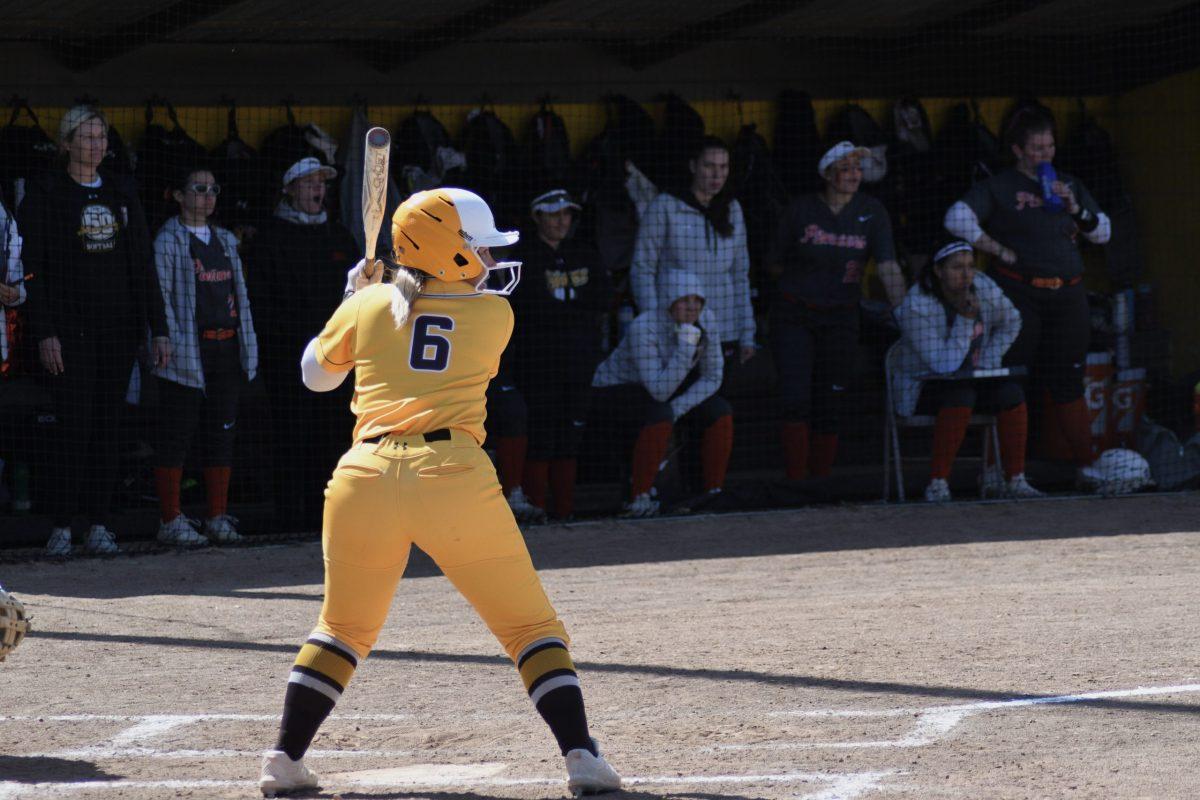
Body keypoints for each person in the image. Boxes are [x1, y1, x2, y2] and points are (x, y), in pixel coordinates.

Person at [258, 188, 621, 797]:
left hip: (363, 476)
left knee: (341, 630)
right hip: (451, 476)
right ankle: (581, 753)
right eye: (477, 247)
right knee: (531, 628)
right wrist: (371, 297)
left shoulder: (370, 303)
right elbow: (428, 316)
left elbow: (315, 377)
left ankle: (283, 760)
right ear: (450, 253)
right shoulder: (495, 316)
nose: (486, 257)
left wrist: (352, 299)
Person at [19, 105, 170, 556]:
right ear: (66, 143)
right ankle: (62, 525)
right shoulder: (45, 194)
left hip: (118, 331)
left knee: (109, 425)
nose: (96, 146)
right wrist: (44, 332)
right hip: (68, 334)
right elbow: (33, 271)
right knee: (73, 426)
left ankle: (101, 524)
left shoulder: (123, 191)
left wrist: (158, 329)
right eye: (86, 138)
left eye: (101, 137)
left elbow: (143, 265)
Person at [944, 106, 1111, 477]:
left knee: (1068, 379)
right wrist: (996, 248)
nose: (1045, 155)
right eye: (1036, 148)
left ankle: (1088, 469)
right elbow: (955, 217)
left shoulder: (1069, 183)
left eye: (1049, 147)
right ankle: (1010, 475)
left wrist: (1075, 206)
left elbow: (1103, 233)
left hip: (1068, 295)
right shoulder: (1000, 185)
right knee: (1012, 378)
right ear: (1018, 150)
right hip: (1018, 294)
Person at [767, 141, 905, 480]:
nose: (854, 175)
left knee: (831, 400)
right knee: (795, 398)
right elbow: (771, 263)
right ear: (827, 174)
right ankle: (796, 481)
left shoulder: (872, 211)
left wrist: (907, 313)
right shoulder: (800, 210)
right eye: (845, 168)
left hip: (842, 316)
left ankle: (820, 481)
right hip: (794, 315)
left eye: (858, 169)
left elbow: (887, 265)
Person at [244, 156, 357, 533]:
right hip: (287, 361)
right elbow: (259, 303)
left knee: (335, 434)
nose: (317, 189)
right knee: (292, 435)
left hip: (338, 358)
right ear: (289, 189)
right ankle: (292, 519)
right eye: (308, 182)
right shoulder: (269, 238)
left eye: (321, 182)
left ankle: (332, 517)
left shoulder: (340, 236)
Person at [150, 166, 258, 546]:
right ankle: (170, 519)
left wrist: (248, 348)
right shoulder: (168, 240)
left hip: (225, 349)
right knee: (177, 435)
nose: (208, 196)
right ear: (178, 196)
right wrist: (163, 340)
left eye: (214, 189)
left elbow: (240, 297)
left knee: (221, 434)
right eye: (198, 188)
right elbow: (159, 297)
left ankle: (216, 517)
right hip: (185, 353)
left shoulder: (226, 240)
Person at [892, 240, 1041, 502]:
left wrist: (988, 359)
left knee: (1011, 392)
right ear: (938, 271)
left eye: (970, 266)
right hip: (924, 386)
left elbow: (1013, 320)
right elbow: (943, 366)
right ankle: (938, 483)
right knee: (961, 394)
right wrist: (965, 319)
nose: (966, 275)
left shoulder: (982, 286)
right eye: (957, 267)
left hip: (974, 376)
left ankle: (1015, 479)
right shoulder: (915, 305)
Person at [591, 271, 733, 517]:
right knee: (660, 412)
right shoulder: (644, 326)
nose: (692, 307)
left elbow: (713, 377)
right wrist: (686, 346)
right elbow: (659, 390)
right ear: (669, 300)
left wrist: (678, 408)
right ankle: (640, 497)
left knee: (719, 411)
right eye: (684, 300)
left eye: (697, 300)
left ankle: (713, 492)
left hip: (664, 386)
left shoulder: (706, 320)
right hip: (614, 390)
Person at [508, 189, 610, 520]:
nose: (561, 221)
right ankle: (537, 511)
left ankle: (564, 514)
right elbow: (530, 309)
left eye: (566, 214)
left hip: (579, 366)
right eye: (553, 214)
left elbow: (601, 301)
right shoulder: (524, 257)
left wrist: (568, 316)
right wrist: (570, 314)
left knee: (570, 438)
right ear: (537, 216)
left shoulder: (586, 253)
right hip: (537, 366)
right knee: (541, 437)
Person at [630, 135, 756, 367]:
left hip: (725, 329)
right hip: (677, 330)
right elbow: (642, 269)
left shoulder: (733, 208)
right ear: (693, 166)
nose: (717, 175)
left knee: (720, 398)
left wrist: (747, 332)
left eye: (723, 167)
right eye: (709, 166)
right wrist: (657, 328)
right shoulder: (665, 206)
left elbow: (740, 274)